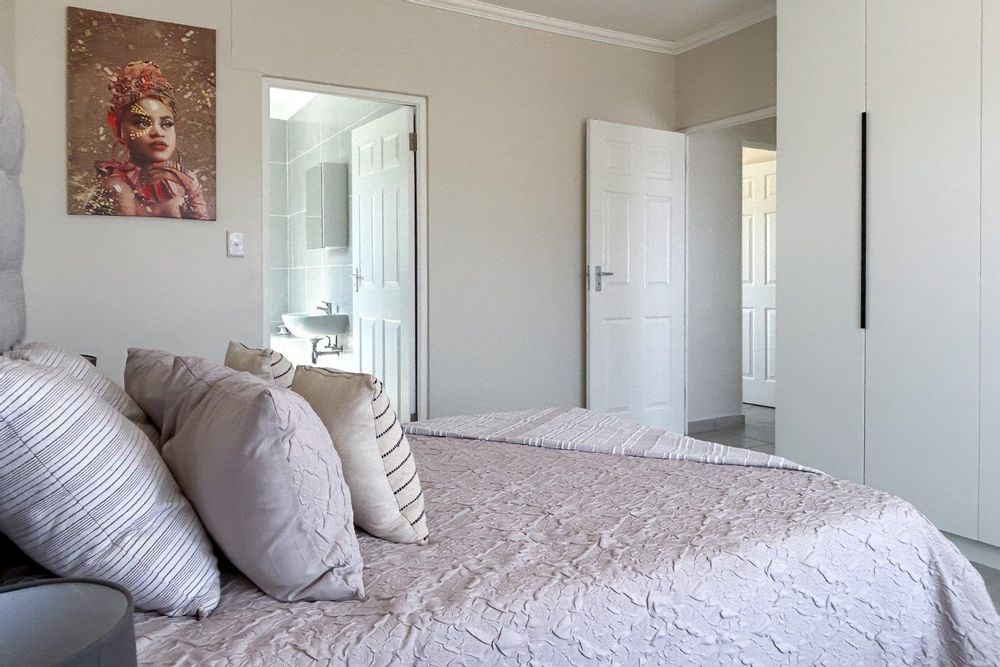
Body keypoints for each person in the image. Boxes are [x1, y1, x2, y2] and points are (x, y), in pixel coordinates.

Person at [85, 60, 210, 220]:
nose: (158, 132)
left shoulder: (185, 181)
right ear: (120, 131)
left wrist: (191, 187)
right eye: (143, 122)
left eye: (166, 123)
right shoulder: (115, 187)